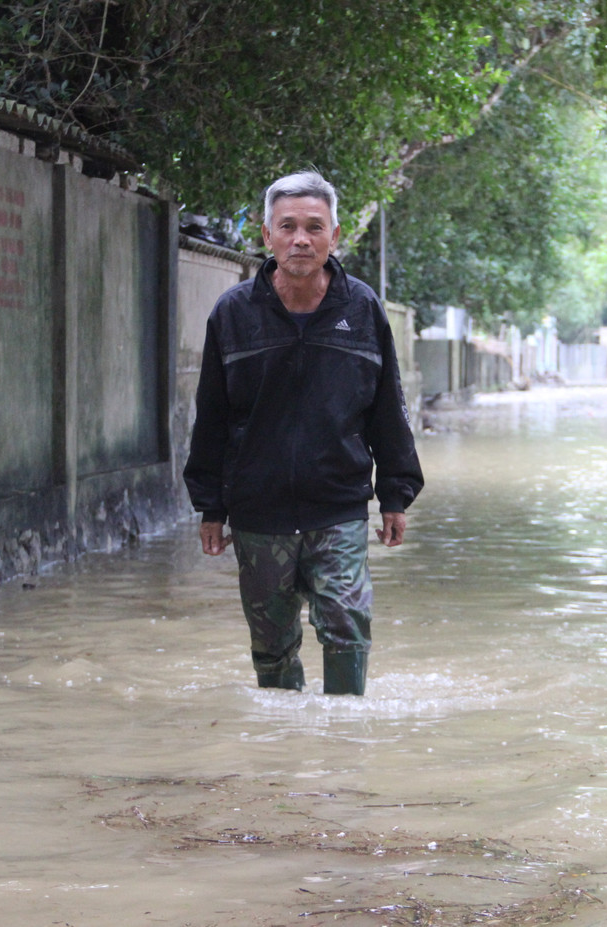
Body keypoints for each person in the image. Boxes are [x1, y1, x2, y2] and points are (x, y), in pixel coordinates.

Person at [182, 170, 424, 696]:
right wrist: (211, 506)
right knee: (271, 641)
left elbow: (388, 406)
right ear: (266, 236)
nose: (301, 239)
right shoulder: (233, 314)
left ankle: (343, 740)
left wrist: (395, 495)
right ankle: (281, 756)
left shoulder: (361, 310)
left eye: (315, 227)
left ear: (334, 236)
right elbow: (213, 416)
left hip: (336, 506)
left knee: (346, 627)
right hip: (258, 512)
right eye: (287, 226)